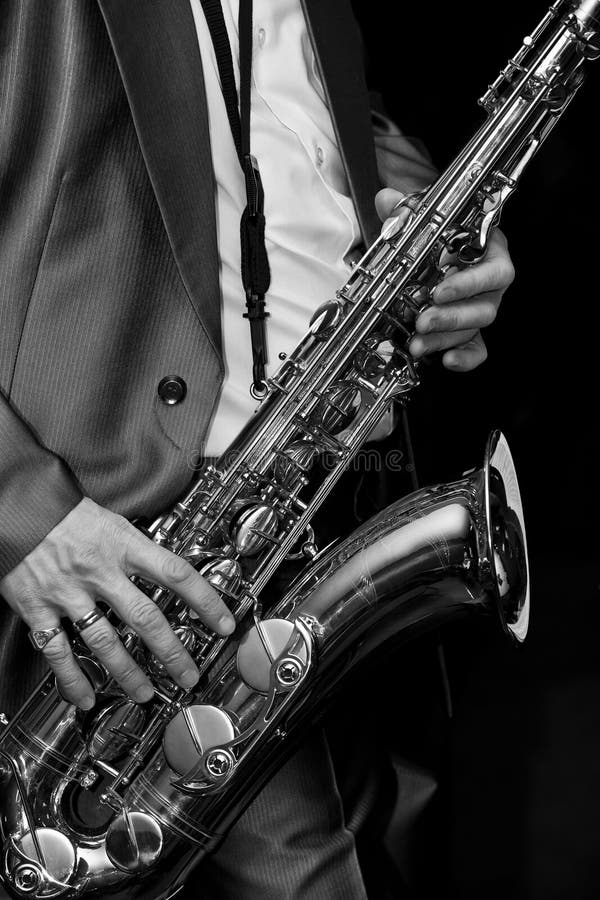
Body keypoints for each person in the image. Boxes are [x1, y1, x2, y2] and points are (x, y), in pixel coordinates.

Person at [0, 0, 515, 897]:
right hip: (127, 549)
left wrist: (441, 228)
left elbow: (309, 107)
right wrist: (19, 513)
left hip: (332, 483)